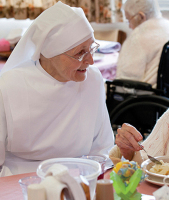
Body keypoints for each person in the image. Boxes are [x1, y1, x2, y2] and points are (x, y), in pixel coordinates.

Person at [0, 1, 114, 177]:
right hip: (20, 181)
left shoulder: (93, 80)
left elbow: (102, 149)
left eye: (91, 48)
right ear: (50, 54)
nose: (91, 60)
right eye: (80, 53)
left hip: (80, 178)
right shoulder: (8, 86)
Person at [115, 0, 169, 88]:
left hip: (146, 96)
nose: (129, 26)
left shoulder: (139, 35)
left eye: (128, 20)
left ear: (141, 16)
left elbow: (126, 79)